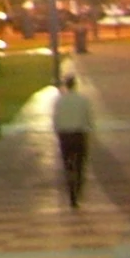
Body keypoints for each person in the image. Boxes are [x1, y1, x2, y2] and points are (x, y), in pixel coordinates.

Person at [52, 73, 95, 208]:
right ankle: (78, 187)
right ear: (75, 84)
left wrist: (58, 131)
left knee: (68, 164)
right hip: (79, 134)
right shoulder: (83, 100)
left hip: (65, 135)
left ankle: (71, 191)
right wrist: (88, 129)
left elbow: (56, 119)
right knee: (80, 163)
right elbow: (89, 119)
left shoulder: (60, 101)